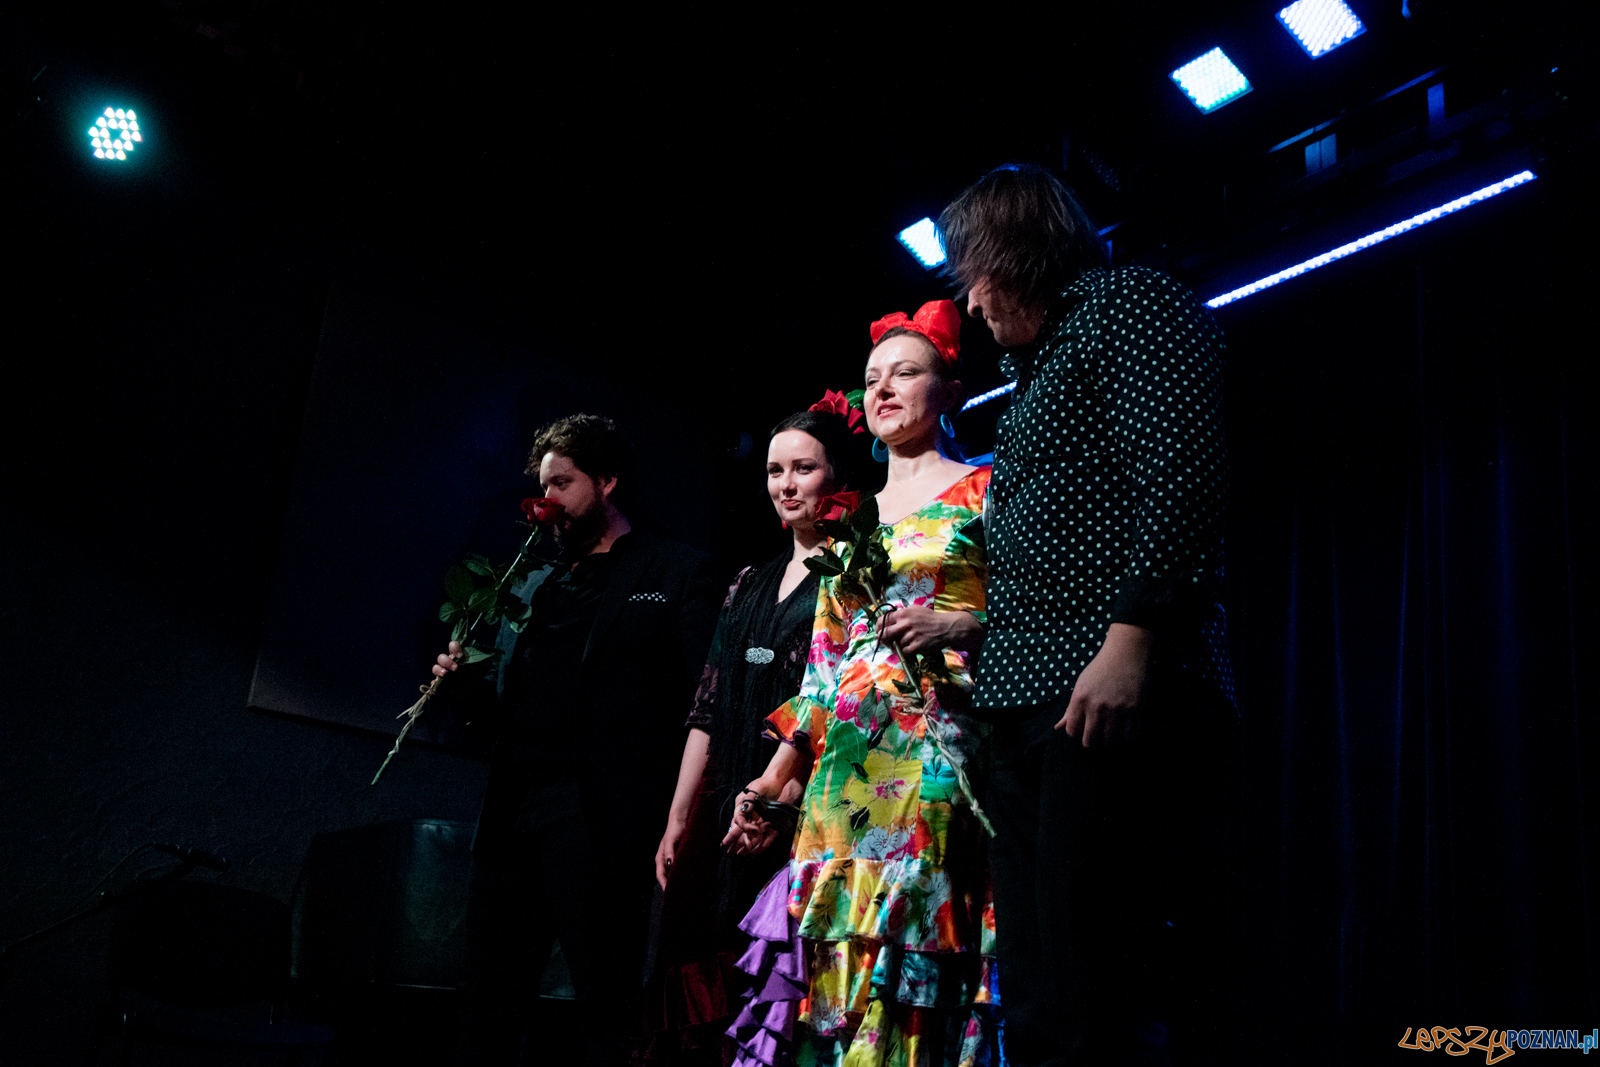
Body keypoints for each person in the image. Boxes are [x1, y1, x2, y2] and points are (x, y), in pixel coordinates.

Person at [939, 163, 1235, 1066]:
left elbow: (1182, 471)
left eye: (972, 276)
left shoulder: (1125, 304)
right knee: (1035, 978)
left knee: (1096, 963)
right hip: (1024, 702)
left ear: (1009, 255)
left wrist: (1132, 640)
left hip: (1103, 683)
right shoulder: (1033, 373)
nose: (971, 304)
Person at [721, 300, 1000, 1067]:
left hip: (935, 749)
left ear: (949, 389)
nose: (881, 390)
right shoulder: (850, 522)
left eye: (904, 373)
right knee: (834, 969)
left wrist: (959, 627)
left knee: (915, 958)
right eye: (872, 378)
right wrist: (772, 783)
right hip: (843, 767)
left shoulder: (986, 490)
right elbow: (822, 668)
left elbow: (1040, 613)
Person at [436, 413, 723, 1067]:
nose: (547, 501)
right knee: (484, 1001)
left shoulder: (675, 570)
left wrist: (674, 814)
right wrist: (463, 690)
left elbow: (704, 700)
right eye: (542, 485)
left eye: (562, 483)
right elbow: (507, 714)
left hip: (601, 821)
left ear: (608, 480)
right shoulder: (530, 583)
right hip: (513, 817)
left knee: (604, 1004)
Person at [643, 402, 867, 1066]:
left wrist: (779, 797)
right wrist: (678, 817)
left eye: (804, 467)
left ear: (836, 477)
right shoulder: (746, 582)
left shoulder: (855, 576)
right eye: (775, 469)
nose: (786, 483)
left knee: (775, 998)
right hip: (726, 806)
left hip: (803, 812)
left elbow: (843, 710)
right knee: (701, 993)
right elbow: (706, 706)